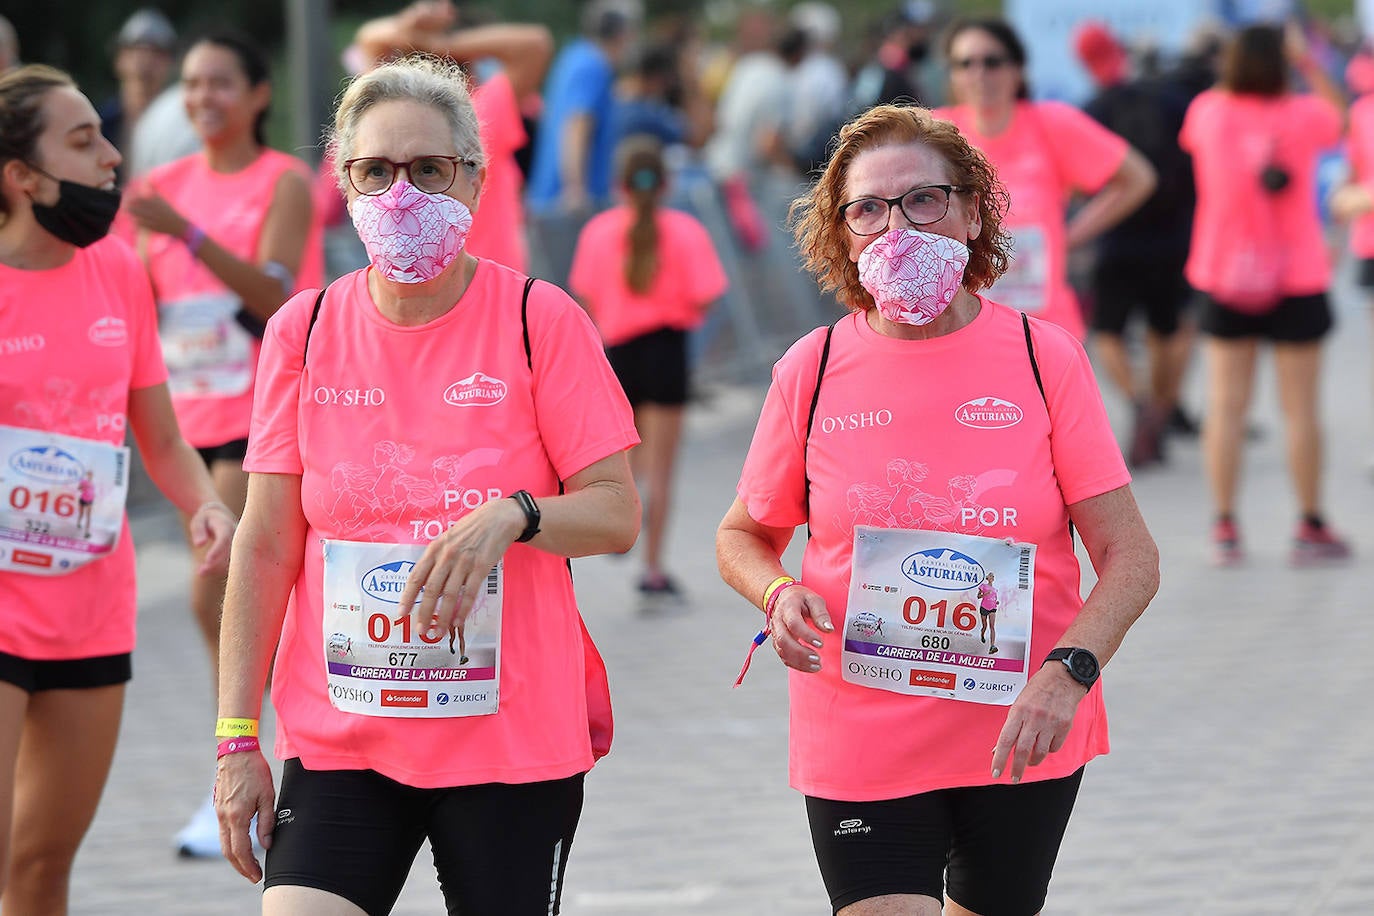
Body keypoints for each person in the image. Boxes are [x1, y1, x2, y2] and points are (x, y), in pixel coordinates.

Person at [212, 56, 640, 915]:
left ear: (474, 178)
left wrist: (514, 517)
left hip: (508, 742)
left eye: (429, 169)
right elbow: (263, 545)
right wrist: (235, 740)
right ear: (345, 182)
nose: (401, 193)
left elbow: (615, 513)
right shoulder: (305, 328)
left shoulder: (537, 318)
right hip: (344, 738)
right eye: (376, 171)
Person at [716, 103, 1158, 915]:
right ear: (841, 233)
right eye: (869, 209)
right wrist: (775, 595)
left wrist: (1071, 674)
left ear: (971, 210)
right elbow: (743, 534)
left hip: (1019, 725)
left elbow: (1130, 556)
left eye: (924, 199)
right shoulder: (809, 371)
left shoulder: (1040, 355)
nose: (897, 227)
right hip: (861, 722)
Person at [0, 64, 234, 912]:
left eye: (103, 135)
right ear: (21, 177)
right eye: (82, 139)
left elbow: (161, 436)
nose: (110, 154)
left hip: (91, 606)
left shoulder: (120, 274)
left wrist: (203, 504)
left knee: (41, 868)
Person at [121, 31, 323, 856]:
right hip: (185, 416)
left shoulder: (285, 180)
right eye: (193, 85)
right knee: (228, 604)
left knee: (217, 593)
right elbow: (141, 304)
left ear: (258, 94)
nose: (203, 98)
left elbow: (273, 291)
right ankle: (250, 759)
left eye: (221, 84)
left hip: (263, 412)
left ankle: (241, 766)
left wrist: (189, 234)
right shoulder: (156, 185)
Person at [1180, 22, 1351, 566]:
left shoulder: (1208, 111)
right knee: (1300, 409)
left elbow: (1191, 145)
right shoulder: (1302, 114)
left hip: (1223, 274)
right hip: (1296, 275)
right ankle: (1309, 523)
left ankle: (1225, 527)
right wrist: (1307, 62)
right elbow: (1340, 117)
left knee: (1226, 407)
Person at [570, 139, 727, 598]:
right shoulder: (684, 230)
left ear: (619, 185)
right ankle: (653, 567)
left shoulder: (598, 231)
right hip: (667, 350)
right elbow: (708, 291)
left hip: (619, 352)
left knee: (626, 455)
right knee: (663, 467)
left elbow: (585, 294)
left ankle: (621, 526)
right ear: (667, 183)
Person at [934, 18, 1156, 340]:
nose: (979, 74)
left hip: (1044, 328)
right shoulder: (936, 133)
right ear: (952, 74)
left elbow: (1138, 178)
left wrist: (1070, 236)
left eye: (992, 62)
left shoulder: (1052, 123)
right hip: (962, 330)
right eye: (965, 63)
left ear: (1017, 69)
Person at [1074, 21, 1198, 468]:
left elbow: (1080, 179)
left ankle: (1139, 399)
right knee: (1169, 328)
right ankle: (1162, 410)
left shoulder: (1092, 110)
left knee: (1106, 331)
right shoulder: (1172, 101)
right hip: (1174, 236)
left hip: (1117, 238)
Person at [99, 8, 178, 181]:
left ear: (170, 64)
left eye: (156, 53)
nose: (145, 61)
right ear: (119, 59)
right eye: (136, 51)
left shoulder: (182, 126)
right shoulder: (98, 123)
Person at [976, 571, 998, 653]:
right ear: (987, 578)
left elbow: (994, 599)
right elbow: (978, 596)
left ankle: (992, 646)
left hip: (993, 608)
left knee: (992, 627)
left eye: (993, 576)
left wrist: (996, 602)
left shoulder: (995, 590)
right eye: (990, 576)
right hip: (984, 607)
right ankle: (982, 634)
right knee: (985, 626)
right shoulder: (983, 586)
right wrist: (985, 594)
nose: (992, 577)